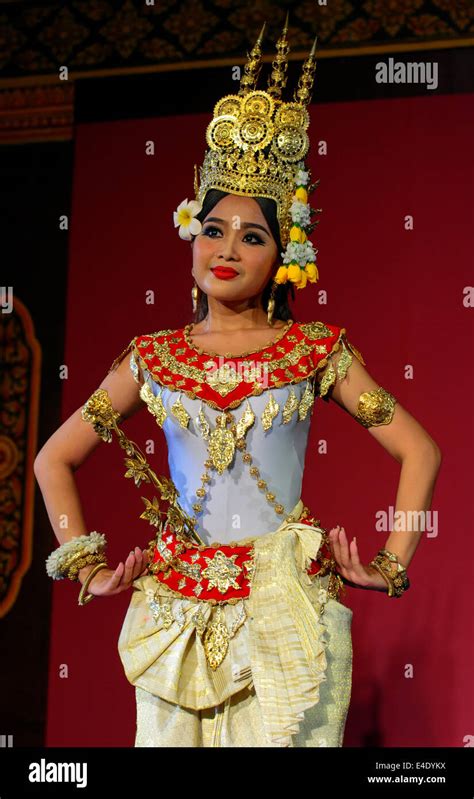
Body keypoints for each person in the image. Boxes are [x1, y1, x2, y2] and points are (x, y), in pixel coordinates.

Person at [35, 19, 442, 748]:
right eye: (214, 229)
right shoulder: (152, 357)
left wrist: (392, 564)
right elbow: (51, 460)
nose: (227, 248)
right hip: (174, 613)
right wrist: (85, 565)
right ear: (191, 232)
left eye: (253, 236)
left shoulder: (316, 351)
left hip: (286, 608)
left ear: (286, 253)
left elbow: (420, 451)